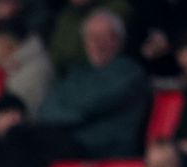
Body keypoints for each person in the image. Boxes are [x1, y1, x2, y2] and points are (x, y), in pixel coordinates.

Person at [38, 9, 149, 158]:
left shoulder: (129, 74)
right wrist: (71, 114)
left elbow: (90, 105)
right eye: (90, 37)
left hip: (105, 148)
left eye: (101, 37)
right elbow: (45, 109)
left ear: (117, 40)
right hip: (71, 139)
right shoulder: (78, 72)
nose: (95, 43)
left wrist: (67, 111)